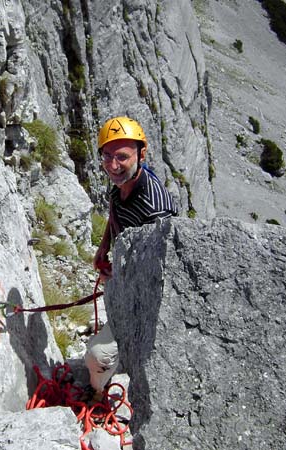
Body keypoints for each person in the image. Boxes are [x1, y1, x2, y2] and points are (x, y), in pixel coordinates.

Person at [84, 116, 178, 400]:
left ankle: (99, 394)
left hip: (148, 299)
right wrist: (104, 248)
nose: (113, 165)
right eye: (107, 156)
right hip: (125, 281)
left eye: (122, 157)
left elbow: (165, 266)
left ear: (141, 154)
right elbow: (115, 211)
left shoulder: (156, 208)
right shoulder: (120, 184)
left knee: (97, 354)